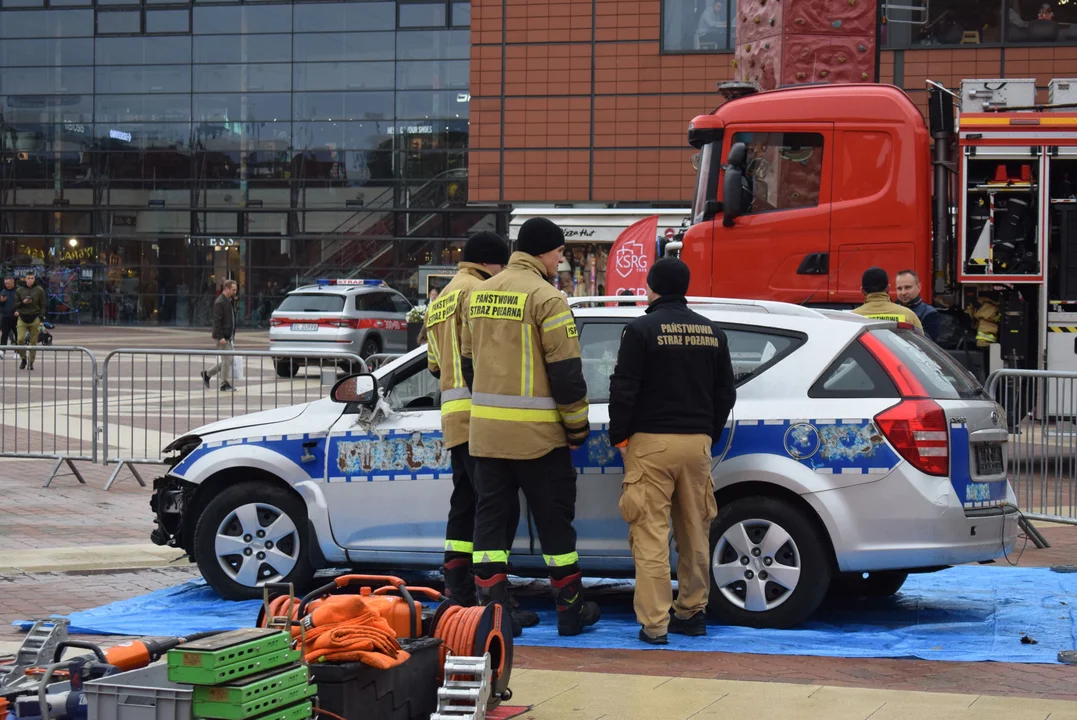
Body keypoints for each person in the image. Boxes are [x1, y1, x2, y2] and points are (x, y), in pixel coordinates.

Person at [461, 217, 600, 637]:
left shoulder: (479, 295)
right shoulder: (548, 298)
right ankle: (570, 611)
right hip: (540, 439)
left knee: (489, 525)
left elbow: (470, 365)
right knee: (555, 524)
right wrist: (577, 429)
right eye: (559, 251)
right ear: (543, 251)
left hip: (485, 436)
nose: (562, 258)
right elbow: (567, 375)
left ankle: (494, 615)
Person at [608, 258, 736, 645]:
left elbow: (623, 387)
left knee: (650, 534)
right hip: (696, 445)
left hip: (650, 443)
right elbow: (725, 392)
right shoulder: (712, 332)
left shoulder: (641, 329)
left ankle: (655, 624)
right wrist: (707, 433)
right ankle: (692, 613)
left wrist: (620, 437)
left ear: (651, 287)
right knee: (696, 531)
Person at [426, 231, 539, 636]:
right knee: (498, 510)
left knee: (465, 506)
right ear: (492, 263)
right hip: (485, 417)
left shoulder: (438, 302)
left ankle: (456, 594)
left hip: (453, 420)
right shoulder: (483, 293)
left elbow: (436, 367)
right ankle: (496, 604)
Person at [851, 267, 923, 333]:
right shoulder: (909, 315)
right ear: (888, 288)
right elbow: (921, 344)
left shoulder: (851, 318)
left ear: (862, 291)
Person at [201, 280, 238, 392]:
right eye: (233, 289)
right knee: (227, 360)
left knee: (227, 360)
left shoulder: (228, 301)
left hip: (227, 336)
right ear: (226, 288)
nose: (235, 292)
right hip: (222, 337)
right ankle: (224, 384)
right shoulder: (220, 302)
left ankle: (207, 374)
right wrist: (221, 336)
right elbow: (217, 321)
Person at [895, 269, 940, 341]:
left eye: (908, 287)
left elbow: (928, 343)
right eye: (899, 288)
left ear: (919, 287)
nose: (903, 292)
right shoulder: (891, 308)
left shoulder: (929, 313)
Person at [14, 271, 47, 371]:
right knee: (20, 339)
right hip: (23, 317)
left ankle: (31, 362)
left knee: (33, 343)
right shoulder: (20, 290)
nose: (30, 280)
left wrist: (41, 317)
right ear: (25, 279)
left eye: (32, 278)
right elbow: (16, 305)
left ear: (34, 279)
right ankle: (23, 358)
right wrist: (23, 303)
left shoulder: (39, 290)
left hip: (35, 318)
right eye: (28, 278)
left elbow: (43, 305)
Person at [0, 276, 17, 359]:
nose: (7, 285)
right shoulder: (2, 292)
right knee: (4, 335)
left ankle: (17, 352)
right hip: (5, 317)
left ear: (13, 283)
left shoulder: (18, 292)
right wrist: (1, 301)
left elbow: (22, 304)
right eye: (6, 283)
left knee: (17, 335)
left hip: (16, 317)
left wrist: (19, 312)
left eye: (9, 283)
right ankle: (2, 352)